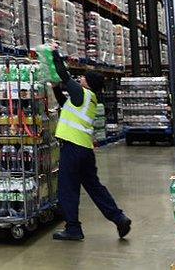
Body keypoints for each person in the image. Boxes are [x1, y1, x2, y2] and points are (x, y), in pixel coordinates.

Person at [50, 48, 132, 241]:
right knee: (94, 187)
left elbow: (64, 75)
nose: (80, 80)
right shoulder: (87, 99)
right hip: (85, 150)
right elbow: (64, 104)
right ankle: (119, 218)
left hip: (72, 148)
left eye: (84, 78)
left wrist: (54, 54)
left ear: (89, 83)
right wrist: (55, 88)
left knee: (68, 188)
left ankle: (73, 228)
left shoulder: (82, 93)